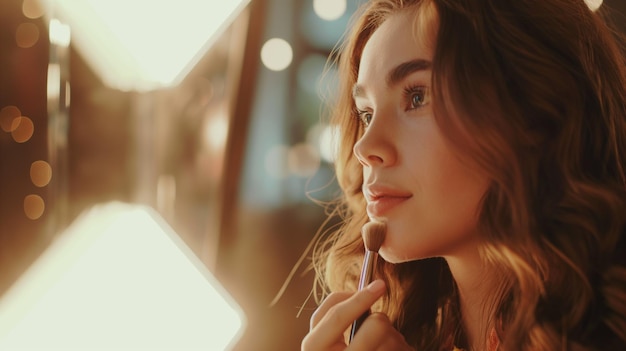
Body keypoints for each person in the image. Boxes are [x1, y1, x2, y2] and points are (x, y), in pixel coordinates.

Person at [300, 0, 626, 350]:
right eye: (366, 113)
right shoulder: (413, 334)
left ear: (533, 111)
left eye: (418, 96)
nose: (364, 148)